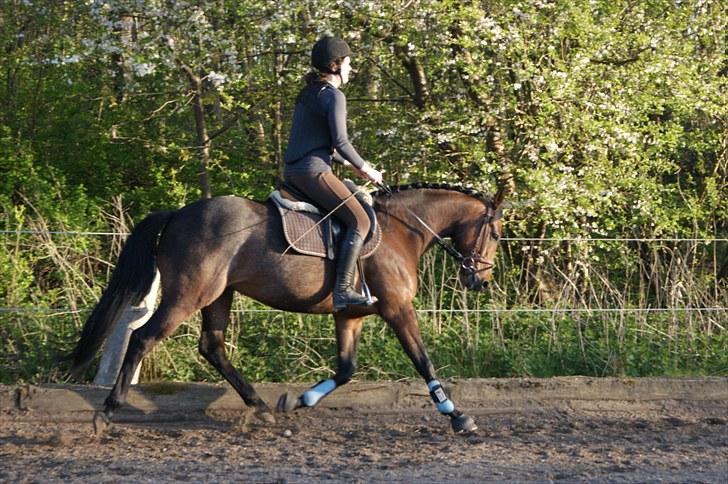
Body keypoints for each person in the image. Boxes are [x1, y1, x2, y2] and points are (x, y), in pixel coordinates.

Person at [283, 36, 384, 311]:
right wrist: (367, 169)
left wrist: (352, 167)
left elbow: (321, 145)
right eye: (348, 63)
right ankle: (342, 291)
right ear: (336, 65)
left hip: (296, 172)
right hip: (313, 173)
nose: (351, 69)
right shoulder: (333, 96)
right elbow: (341, 142)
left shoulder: (309, 93)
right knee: (361, 221)